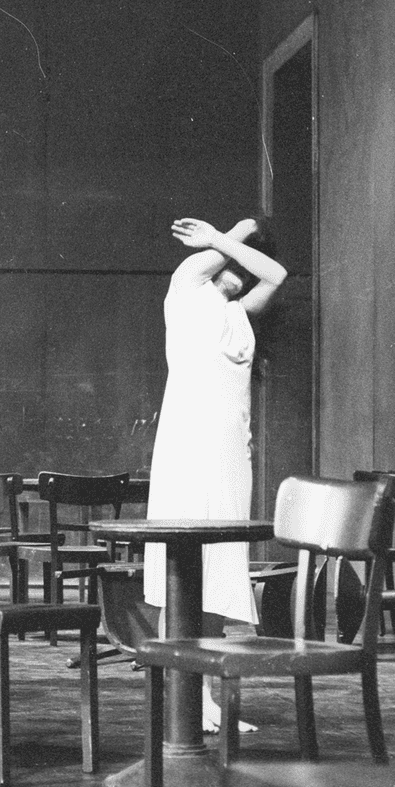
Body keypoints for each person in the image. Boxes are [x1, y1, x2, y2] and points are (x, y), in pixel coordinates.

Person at [142, 215, 286, 732]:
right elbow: (221, 259)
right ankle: (176, 697)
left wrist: (229, 239)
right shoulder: (186, 289)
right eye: (230, 260)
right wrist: (239, 230)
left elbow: (276, 275)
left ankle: (203, 697)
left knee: (221, 573)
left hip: (229, 458)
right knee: (181, 572)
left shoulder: (240, 314)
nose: (238, 272)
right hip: (187, 450)